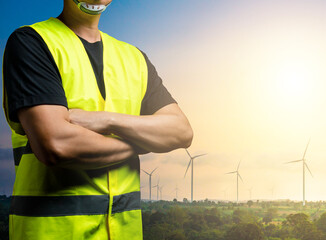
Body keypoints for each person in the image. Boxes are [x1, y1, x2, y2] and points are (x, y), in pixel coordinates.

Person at [2, 0, 193, 239]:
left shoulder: (134, 58)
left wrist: (108, 121)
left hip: (125, 232)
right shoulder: (32, 42)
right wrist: (144, 142)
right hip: (52, 233)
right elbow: (57, 145)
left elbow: (181, 132)